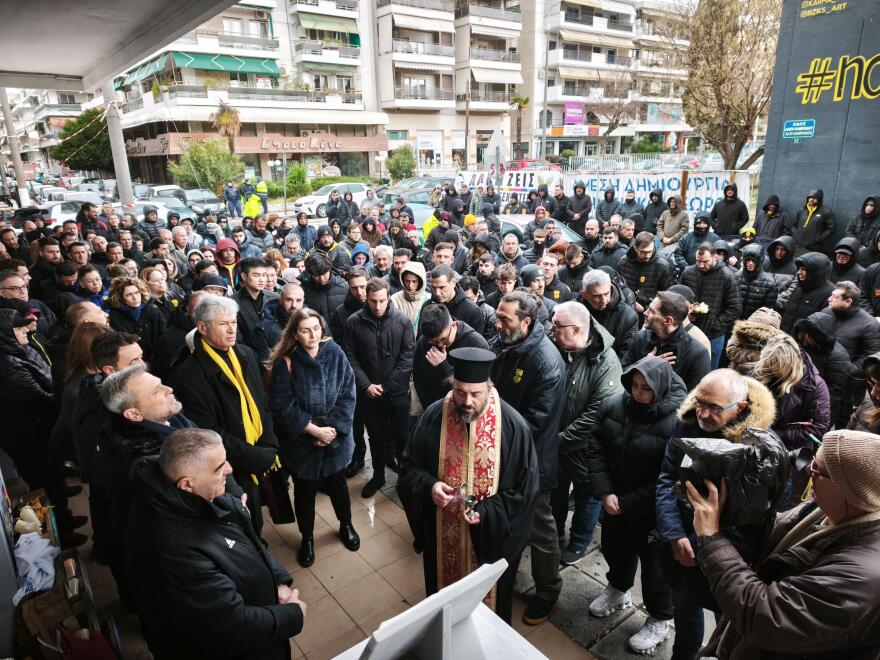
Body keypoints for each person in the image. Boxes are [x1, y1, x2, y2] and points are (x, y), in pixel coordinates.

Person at [686, 429, 880, 659]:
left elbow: (765, 615)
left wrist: (711, 537)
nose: (808, 469)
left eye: (818, 469)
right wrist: (742, 507)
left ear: (850, 490)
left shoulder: (863, 578)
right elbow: (774, 546)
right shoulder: (826, 511)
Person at [126, 428, 305, 659]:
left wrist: (278, 581)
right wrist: (293, 614)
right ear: (187, 484)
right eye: (220, 467)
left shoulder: (203, 494)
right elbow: (234, 627)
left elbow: (250, 542)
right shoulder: (179, 552)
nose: (230, 470)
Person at [398, 347, 540, 625]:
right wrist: (429, 486)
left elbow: (525, 493)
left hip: (488, 540)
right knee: (444, 612)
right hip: (443, 536)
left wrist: (486, 513)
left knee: (488, 619)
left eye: (476, 394)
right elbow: (409, 468)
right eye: (460, 392)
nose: (466, 401)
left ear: (489, 388)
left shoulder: (512, 426)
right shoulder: (434, 416)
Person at [656, 369, 776, 660]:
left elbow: (758, 521)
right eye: (700, 402)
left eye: (713, 408)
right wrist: (673, 534)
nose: (703, 413)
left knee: (728, 629)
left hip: (730, 562)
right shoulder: (687, 424)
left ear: (741, 408)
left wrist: (700, 544)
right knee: (685, 609)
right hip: (682, 546)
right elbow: (667, 478)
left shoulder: (760, 449)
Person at [588, 356, 686, 654]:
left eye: (645, 388)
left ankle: (660, 617)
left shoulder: (678, 421)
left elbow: (668, 477)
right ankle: (618, 589)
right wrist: (605, 492)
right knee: (616, 548)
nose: (638, 393)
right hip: (615, 500)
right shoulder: (614, 405)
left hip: (653, 512)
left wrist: (626, 502)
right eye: (634, 385)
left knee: (656, 568)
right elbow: (596, 447)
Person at [171, 295, 280, 537]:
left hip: (260, 449)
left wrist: (269, 443)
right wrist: (255, 456)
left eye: (234, 322)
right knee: (246, 524)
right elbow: (207, 433)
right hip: (231, 466)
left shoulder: (245, 354)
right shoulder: (189, 376)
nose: (232, 330)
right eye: (223, 324)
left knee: (261, 514)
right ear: (202, 327)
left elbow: (262, 403)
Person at [268, 308, 358, 567]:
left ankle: (346, 525)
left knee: (339, 487)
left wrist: (332, 430)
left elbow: (348, 393)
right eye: (305, 330)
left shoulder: (335, 353)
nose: (312, 335)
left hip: (335, 440)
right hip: (301, 442)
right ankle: (307, 537)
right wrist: (313, 430)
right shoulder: (287, 361)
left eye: (316, 329)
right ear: (295, 333)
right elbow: (281, 404)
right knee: (305, 493)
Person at [550, 301, 621, 566]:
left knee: (587, 498)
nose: (552, 330)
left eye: (557, 326)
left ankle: (579, 541)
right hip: (556, 445)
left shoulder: (606, 362)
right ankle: (554, 530)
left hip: (587, 450)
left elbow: (597, 415)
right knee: (555, 491)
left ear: (577, 329)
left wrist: (560, 440)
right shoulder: (558, 347)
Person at [343, 278, 414, 497]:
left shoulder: (402, 321)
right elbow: (350, 356)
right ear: (367, 299)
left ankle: (405, 479)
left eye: (382, 301)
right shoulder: (354, 322)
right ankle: (378, 476)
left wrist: (387, 385)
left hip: (397, 392)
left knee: (403, 436)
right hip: (369, 394)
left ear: (388, 298)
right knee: (375, 436)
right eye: (373, 301)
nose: (378, 306)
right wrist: (366, 385)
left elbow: (407, 355)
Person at [625, 290, 711, 393]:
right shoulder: (641, 338)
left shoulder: (697, 354)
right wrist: (644, 365)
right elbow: (622, 370)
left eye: (651, 311)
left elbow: (693, 399)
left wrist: (659, 371)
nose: (645, 312)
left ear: (668, 321)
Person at [680, 242, 743, 369]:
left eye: (705, 261)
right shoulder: (688, 273)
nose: (701, 265)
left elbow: (735, 308)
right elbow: (679, 297)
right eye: (698, 261)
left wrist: (715, 324)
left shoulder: (727, 276)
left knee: (708, 369)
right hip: (688, 329)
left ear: (715, 257)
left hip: (713, 335)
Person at [580, 268, 638, 360]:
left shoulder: (628, 316)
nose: (603, 300)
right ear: (585, 295)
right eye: (597, 296)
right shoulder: (575, 311)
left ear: (610, 287)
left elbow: (627, 355)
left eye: (606, 293)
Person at [107, 276, 166, 363]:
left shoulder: (152, 311)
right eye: (128, 295)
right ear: (120, 297)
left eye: (137, 293)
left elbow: (162, 337)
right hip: (132, 361)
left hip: (157, 359)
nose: (135, 298)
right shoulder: (114, 317)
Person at [618, 232, 675, 315]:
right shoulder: (623, 262)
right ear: (635, 248)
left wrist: (646, 308)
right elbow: (619, 287)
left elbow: (666, 294)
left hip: (651, 313)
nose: (647, 255)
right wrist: (629, 302)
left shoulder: (662, 265)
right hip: (626, 309)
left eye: (650, 251)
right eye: (643, 252)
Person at [780, 252, 835, 334]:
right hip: (784, 339)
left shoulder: (830, 293)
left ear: (816, 272)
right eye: (799, 269)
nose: (799, 272)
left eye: (804, 269)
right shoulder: (799, 287)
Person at [428, 264, 485, 334]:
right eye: (433, 287)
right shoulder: (427, 306)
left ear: (453, 283)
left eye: (442, 287)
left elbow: (477, 343)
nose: (437, 293)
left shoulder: (473, 311)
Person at [300, 253, 347, 324]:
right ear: (310, 273)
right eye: (316, 275)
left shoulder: (343, 286)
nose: (321, 278)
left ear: (329, 269)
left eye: (324, 273)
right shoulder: (303, 289)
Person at [736, 243, 778, 319]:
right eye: (748, 260)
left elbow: (767, 311)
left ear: (759, 262)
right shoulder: (735, 277)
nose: (750, 263)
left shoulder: (770, 283)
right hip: (733, 322)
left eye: (754, 261)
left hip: (754, 324)